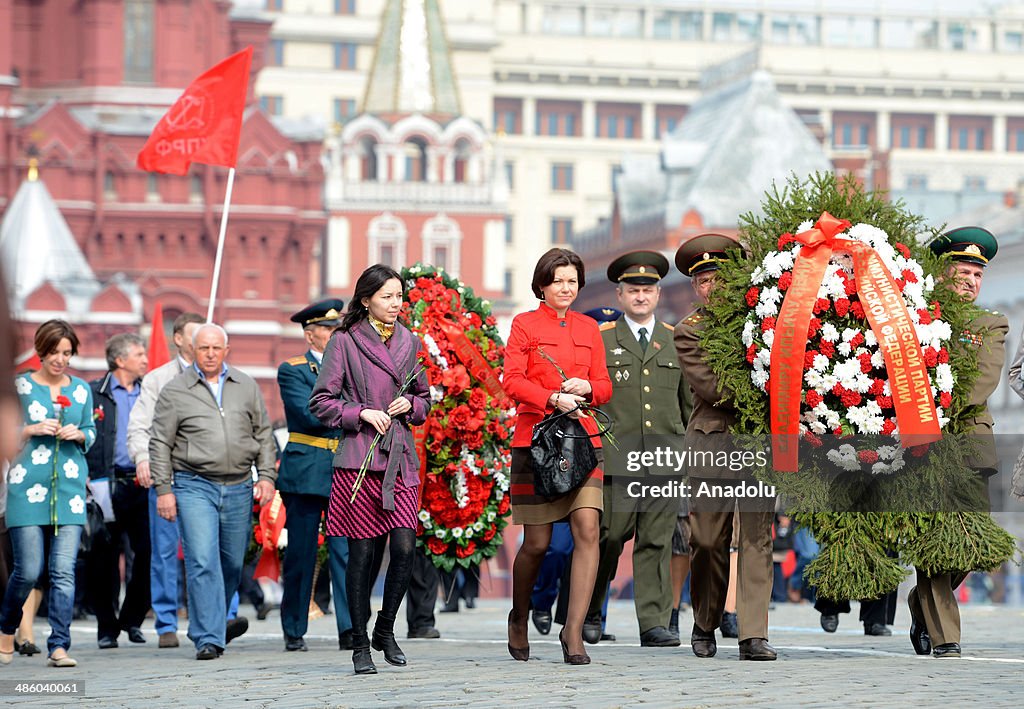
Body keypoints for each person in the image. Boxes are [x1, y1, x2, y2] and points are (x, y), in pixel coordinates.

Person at [309, 265, 432, 675]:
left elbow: (423, 398)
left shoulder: (410, 340)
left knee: (404, 549)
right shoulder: (343, 341)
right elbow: (321, 401)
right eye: (387, 297)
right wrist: (361, 411)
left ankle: (385, 629)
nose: (396, 305)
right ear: (366, 300)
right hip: (359, 458)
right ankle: (360, 643)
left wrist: (409, 407)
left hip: (400, 459)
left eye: (400, 297)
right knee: (361, 555)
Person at [503, 248, 613, 666]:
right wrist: (551, 397)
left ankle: (573, 630)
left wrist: (586, 388)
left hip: (584, 440)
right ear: (542, 286)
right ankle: (518, 616)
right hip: (536, 440)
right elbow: (511, 380)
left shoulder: (589, 327)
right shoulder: (524, 324)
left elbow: (604, 385)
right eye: (557, 281)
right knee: (538, 543)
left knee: (588, 528)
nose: (565, 288)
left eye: (572, 281)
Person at [673, 234, 777, 661]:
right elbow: (716, 389)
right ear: (694, 288)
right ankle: (705, 620)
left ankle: (753, 632)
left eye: (718, 278)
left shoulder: (765, 320)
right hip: (713, 442)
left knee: (757, 538)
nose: (710, 288)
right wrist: (774, 381)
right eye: (702, 282)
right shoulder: (688, 332)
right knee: (709, 539)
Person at [907, 226, 1008, 659]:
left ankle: (919, 604)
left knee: (969, 542)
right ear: (942, 274)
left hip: (968, 443)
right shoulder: (916, 319)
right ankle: (945, 635)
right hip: (921, 446)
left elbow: (982, 383)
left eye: (976, 274)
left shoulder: (990, 324)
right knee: (933, 538)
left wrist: (933, 409)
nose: (970, 280)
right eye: (961, 271)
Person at [149, 323, 277, 660]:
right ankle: (208, 636)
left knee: (232, 564)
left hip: (239, 485)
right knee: (202, 560)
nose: (209, 354)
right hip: (193, 484)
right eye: (203, 348)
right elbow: (159, 442)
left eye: (215, 348)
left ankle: (214, 623)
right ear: (193, 350)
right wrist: (164, 489)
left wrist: (266, 476)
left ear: (226, 351)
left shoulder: (245, 385)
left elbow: (263, 434)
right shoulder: (176, 390)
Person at [583, 251, 691, 648]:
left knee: (656, 541)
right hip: (617, 458)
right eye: (633, 290)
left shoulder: (674, 339)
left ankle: (654, 623)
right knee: (609, 538)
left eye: (647, 290)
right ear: (620, 293)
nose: (641, 296)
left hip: (665, 458)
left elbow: (687, 404)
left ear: (659, 293)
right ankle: (592, 607)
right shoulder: (603, 338)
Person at [0, 319, 96, 667]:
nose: (60, 359)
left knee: (63, 572)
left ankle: (59, 645)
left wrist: (80, 434)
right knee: (27, 570)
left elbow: (92, 431)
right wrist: (30, 428)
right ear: (41, 351)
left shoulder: (82, 390)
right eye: (54, 352)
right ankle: (7, 628)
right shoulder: (20, 387)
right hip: (27, 489)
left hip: (69, 492)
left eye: (67, 353)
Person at [276, 298, 352, 652]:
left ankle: (350, 628)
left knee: (347, 553)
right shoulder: (293, 370)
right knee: (301, 554)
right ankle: (294, 627)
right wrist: (353, 411)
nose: (337, 334)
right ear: (311, 336)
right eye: (329, 329)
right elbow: (309, 414)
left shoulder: (351, 367)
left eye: (338, 328)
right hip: (306, 470)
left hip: (343, 471)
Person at [126, 311, 204, 649]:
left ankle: (220, 618)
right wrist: (143, 459)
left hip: (210, 478)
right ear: (178, 339)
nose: (204, 342)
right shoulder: (157, 379)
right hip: (169, 477)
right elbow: (139, 427)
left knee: (209, 552)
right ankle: (167, 622)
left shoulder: (219, 376)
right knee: (163, 553)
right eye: (196, 335)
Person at [84, 333, 151, 649]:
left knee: (148, 553)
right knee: (103, 557)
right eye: (139, 354)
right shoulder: (92, 393)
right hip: (103, 485)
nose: (145, 359)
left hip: (143, 483)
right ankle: (106, 627)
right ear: (120, 360)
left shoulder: (149, 392)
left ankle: (132, 619)